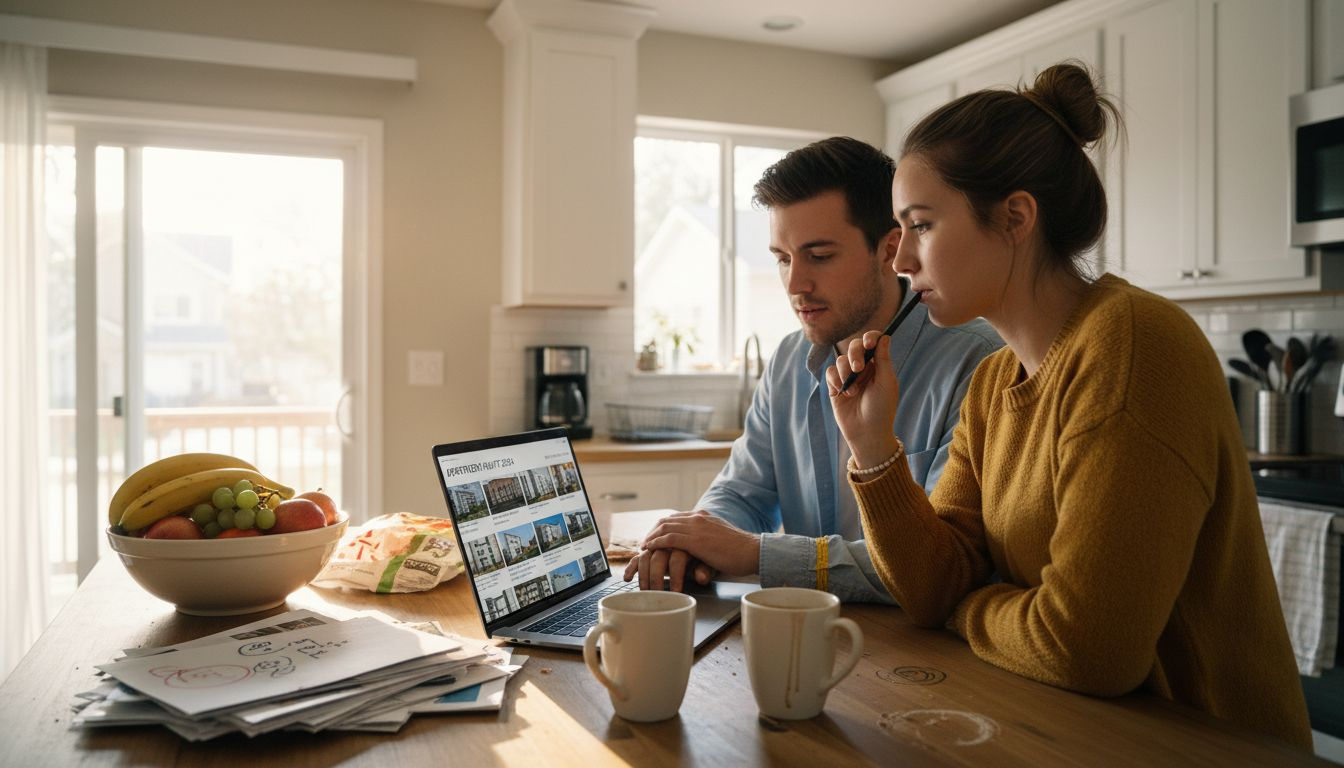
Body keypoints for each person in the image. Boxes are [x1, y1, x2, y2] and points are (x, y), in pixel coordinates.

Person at [815, 63, 1311, 747]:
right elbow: (931, 589)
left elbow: (1085, 649)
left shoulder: (1132, 345)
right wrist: (872, 450)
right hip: (1080, 734)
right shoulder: (993, 383)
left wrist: (970, 604)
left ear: (1015, 217)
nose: (900, 262)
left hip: (1205, 746)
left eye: (922, 225)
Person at [624, 137, 1002, 601]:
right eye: (782, 259)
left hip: (925, 654)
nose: (795, 284)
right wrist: (692, 543)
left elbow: (943, 564)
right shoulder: (786, 361)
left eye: (819, 256)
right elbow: (742, 492)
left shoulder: (979, 363)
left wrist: (755, 554)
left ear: (889, 250)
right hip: (799, 633)